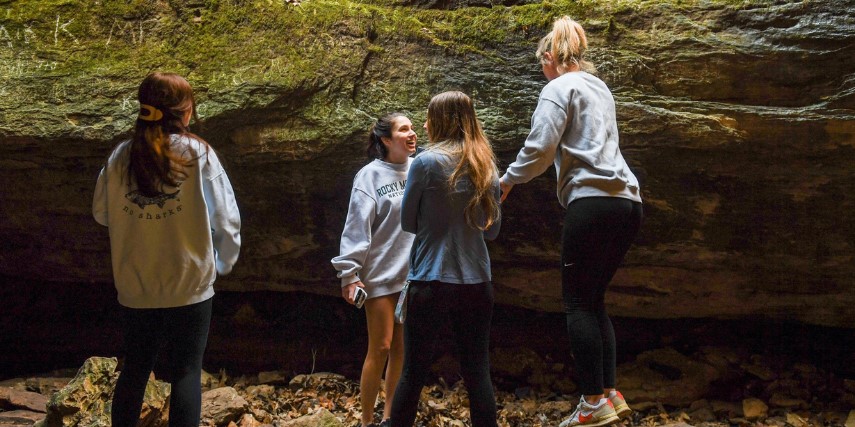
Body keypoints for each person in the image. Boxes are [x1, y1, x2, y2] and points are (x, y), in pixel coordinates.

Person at [499, 16, 643, 427]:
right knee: (594, 299)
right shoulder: (600, 88)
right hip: (628, 202)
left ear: (549, 58)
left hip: (593, 201)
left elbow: (541, 148)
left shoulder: (557, 87)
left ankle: (592, 400)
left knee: (577, 302)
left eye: (541, 63)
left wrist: (507, 180)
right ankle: (610, 394)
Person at [92, 72, 241, 427]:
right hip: (190, 284)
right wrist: (222, 263)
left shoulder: (120, 156)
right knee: (187, 372)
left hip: (136, 286)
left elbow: (101, 214)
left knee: (136, 369)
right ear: (185, 111)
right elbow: (227, 218)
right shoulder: (198, 153)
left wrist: (140, 225)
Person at [390, 91, 501, 427]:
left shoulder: (425, 163)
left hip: (430, 279)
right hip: (477, 282)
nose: (423, 124)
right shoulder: (487, 164)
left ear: (439, 121)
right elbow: (492, 232)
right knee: (478, 372)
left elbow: (407, 222)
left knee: (413, 371)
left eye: (427, 117)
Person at [331, 113, 418, 427]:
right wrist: (349, 274)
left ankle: (390, 417)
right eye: (403, 129)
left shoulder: (419, 168)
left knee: (401, 349)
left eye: (412, 128)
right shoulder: (369, 176)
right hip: (378, 274)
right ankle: (366, 420)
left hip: (410, 276)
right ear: (386, 139)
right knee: (380, 346)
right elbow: (357, 226)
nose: (412, 133)